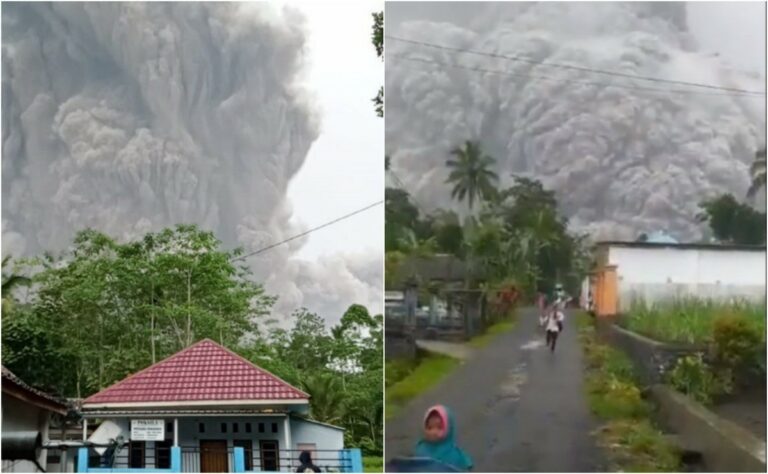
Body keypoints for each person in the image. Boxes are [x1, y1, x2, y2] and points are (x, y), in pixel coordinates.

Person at [414, 404, 473, 471]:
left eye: (439, 428)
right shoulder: (420, 448)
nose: (433, 432)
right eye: (429, 428)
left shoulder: (454, 455)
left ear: (448, 429)